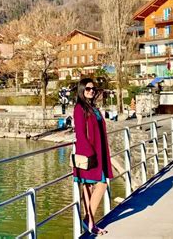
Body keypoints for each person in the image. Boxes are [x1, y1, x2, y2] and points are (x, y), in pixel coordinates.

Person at [72, 78, 113, 235]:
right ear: (82, 90)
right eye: (88, 88)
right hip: (89, 154)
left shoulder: (93, 108)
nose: (91, 91)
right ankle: (89, 221)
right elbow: (80, 133)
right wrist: (90, 153)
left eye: (93, 89)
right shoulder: (79, 108)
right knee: (97, 185)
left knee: (95, 185)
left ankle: (88, 221)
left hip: (98, 152)